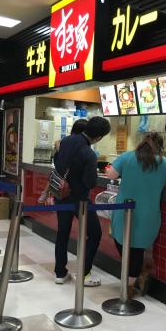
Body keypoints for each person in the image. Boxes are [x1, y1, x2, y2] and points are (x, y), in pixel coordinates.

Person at [107, 132, 166, 297]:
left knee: (122, 243)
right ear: (160, 147)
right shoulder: (164, 163)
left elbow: (111, 175)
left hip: (124, 211)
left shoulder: (127, 157)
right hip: (148, 214)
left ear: (141, 143)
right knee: (137, 251)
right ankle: (131, 284)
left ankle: (129, 285)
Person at [54, 116, 111, 286]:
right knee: (94, 234)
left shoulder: (66, 141)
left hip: (61, 195)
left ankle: (60, 273)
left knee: (62, 233)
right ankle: (84, 273)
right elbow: (90, 182)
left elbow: (57, 162)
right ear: (98, 137)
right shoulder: (89, 153)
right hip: (80, 200)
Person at [38, 118, 88, 204]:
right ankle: (45, 193)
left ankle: (45, 193)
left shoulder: (67, 140)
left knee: (55, 176)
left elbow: (58, 149)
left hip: (60, 179)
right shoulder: (78, 143)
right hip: (69, 184)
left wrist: (60, 151)